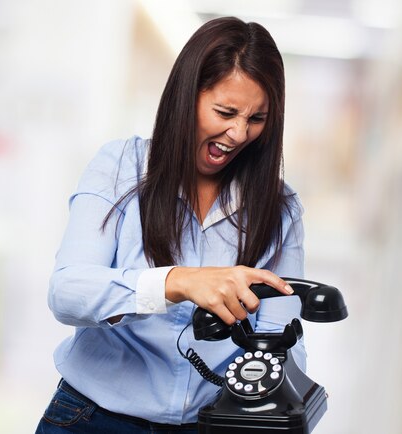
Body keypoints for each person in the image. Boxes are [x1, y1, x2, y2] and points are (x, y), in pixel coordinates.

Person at [35, 16, 306, 434]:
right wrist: (176, 282)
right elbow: (67, 292)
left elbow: (283, 334)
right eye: (225, 112)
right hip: (92, 420)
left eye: (257, 118)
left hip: (208, 425)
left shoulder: (280, 207)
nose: (238, 133)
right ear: (186, 97)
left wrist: (282, 410)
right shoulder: (121, 168)